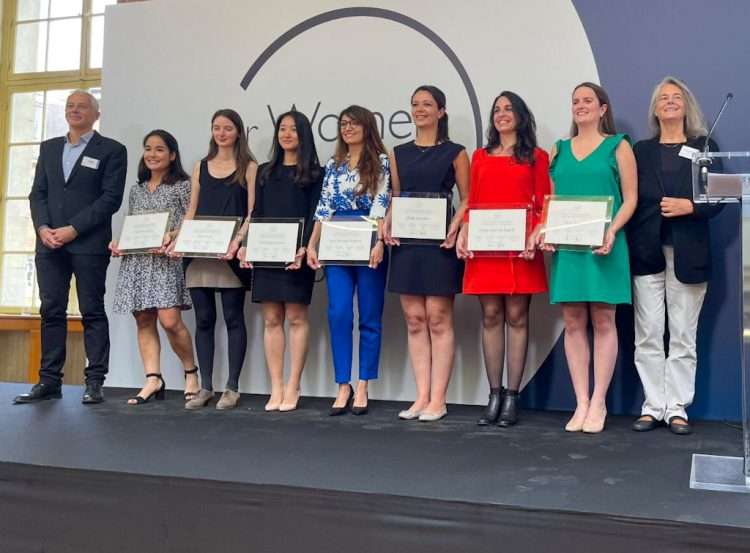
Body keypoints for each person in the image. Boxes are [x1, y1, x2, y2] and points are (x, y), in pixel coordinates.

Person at [16, 90, 127, 405]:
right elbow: (37, 193)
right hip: (49, 244)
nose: (75, 110)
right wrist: (42, 229)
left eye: (82, 106)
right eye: (70, 106)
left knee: (92, 310)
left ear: (96, 113)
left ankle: (94, 382)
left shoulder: (112, 150)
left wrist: (73, 229)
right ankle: (49, 381)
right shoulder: (49, 148)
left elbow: (110, 199)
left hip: (88, 244)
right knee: (51, 310)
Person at [628, 77, 722, 435]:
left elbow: (719, 198)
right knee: (648, 333)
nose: (669, 102)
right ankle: (653, 405)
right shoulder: (641, 151)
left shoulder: (704, 147)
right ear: (655, 109)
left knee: (683, 334)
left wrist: (691, 206)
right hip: (646, 252)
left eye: (676, 97)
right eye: (662, 98)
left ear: (686, 105)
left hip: (690, 253)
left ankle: (677, 407)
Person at [542, 82, 637, 433]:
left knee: (603, 320)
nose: (581, 106)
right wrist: (546, 230)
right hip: (569, 248)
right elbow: (553, 202)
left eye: (588, 101)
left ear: (603, 109)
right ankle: (580, 401)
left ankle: (599, 402)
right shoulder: (558, 150)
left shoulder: (619, 146)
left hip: (605, 246)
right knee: (572, 321)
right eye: (575, 101)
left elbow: (630, 199)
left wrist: (612, 230)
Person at [456, 91, 550, 426]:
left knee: (517, 316)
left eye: (509, 109)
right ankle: (493, 394)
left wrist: (537, 233)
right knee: (491, 315)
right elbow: (473, 202)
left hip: (521, 249)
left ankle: (512, 396)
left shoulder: (537, 157)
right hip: (486, 248)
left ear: (521, 116)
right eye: (497, 110)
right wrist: (465, 231)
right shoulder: (479, 157)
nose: (502, 114)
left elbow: (544, 203)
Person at [385, 85, 470, 422]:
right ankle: (421, 396)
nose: (419, 109)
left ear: (441, 112)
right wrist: (388, 222)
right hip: (407, 242)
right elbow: (395, 196)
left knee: (438, 317)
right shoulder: (398, 152)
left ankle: (439, 399)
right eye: (415, 104)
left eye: (427, 104)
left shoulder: (455, 152)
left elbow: (468, 198)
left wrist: (457, 225)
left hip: (439, 243)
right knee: (415, 319)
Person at [306, 105, 390, 416]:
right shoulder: (334, 164)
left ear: (368, 127)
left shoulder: (381, 162)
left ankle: (364, 383)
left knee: (370, 315)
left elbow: (382, 202)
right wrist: (312, 245)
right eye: (343, 124)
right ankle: (343, 383)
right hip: (336, 242)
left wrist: (380, 241)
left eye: (354, 123)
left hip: (368, 242)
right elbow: (323, 206)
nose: (348, 128)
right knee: (338, 313)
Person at [173, 109, 256, 411]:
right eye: (216, 128)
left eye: (228, 128)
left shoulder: (249, 166)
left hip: (229, 255)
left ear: (238, 132)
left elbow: (252, 212)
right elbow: (192, 211)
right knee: (204, 320)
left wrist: (237, 242)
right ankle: (206, 386)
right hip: (199, 254)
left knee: (233, 318)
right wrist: (178, 238)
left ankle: (232, 387)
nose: (221, 133)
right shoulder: (200, 166)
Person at [239, 111, 323, 412]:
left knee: (297, 318)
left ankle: (293, 384)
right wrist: (247, 245)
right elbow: (257, 213)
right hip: (266, 254)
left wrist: (305, 248)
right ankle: (275, 385)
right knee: (271, 319)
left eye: (293, 129)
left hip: (296, 255)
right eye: (282, 129)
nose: (286, 134)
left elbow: (316, 215)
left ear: (304, 135)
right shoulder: (264, 172)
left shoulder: (315, 173)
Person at [110, 130, 199, 405]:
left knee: (170, 321)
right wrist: (119, 242)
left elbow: (189, 219)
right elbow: (134, 224)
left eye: (159, 149)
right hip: (137, 261)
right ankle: (153, 378)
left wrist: (172, 235)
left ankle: (191, 372)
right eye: (148, 148)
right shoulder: (136, 189)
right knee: (143, 319)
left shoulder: (183, 185)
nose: (152, 154)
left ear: (172, 155)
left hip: (165, 260)